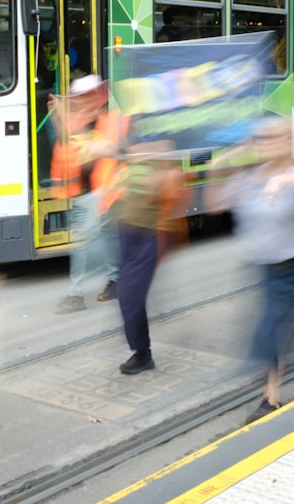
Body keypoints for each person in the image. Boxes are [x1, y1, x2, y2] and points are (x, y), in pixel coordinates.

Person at [206, 117, 294, 422]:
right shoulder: (250, 177)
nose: (265, 143)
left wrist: (286, 180)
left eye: (273, 137)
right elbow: (215, 205)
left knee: (274, 330)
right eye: (261, 138)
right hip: (265, 268)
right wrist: (219, 167)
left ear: (290, 141)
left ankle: (271, 397)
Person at [50, 75, 121, 314]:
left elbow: (100, 151)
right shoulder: (82, 117)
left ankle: (76, 294)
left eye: (84, 96)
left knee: (82, 243)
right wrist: (58, 118)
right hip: (86, 191)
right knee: (107, 236)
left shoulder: (106, 119)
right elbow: (67, 143)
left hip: (100, 191)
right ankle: (116, 279)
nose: (80, 101)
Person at [114, 140, 185, 375]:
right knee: (127, 296)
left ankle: (143, 354)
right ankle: (141, 350)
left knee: (130, 296)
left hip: (148, 235)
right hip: (127, 233)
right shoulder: (137, 151)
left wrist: (142, 155)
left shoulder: (163, 160)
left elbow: (164, 185)